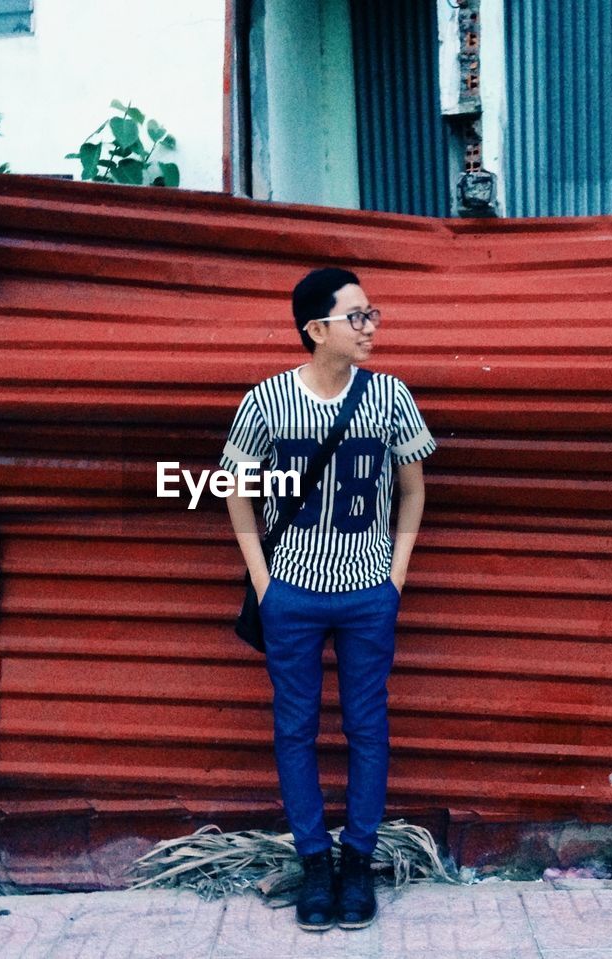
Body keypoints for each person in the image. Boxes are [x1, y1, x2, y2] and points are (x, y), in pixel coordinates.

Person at [219, 267, 436, 932]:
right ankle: (315, 860)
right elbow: (235, 487)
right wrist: (263, 580)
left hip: (368, 593)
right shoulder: (266, 402)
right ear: (316, 329)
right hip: (292, 593)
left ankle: (357, 861)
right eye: (356, 316)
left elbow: (413, 489)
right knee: (295, 730)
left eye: (373, 313)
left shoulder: (391, 397)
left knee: (368, 727)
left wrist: (393, 577)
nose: (370, 327)